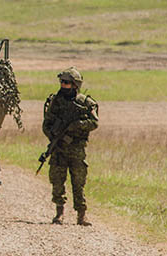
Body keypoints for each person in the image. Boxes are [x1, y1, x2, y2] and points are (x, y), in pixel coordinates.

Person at [42, 67, 98, 226]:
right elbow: (46, 124)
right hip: (59, 148)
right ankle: (59, 214)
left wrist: (77, 126)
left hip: (76, 149)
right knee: (57, 180)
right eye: (62, 82)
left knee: (78, 182)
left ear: (75, 85)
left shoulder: (85, 103)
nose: (63, 85)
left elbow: (94, 123)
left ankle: (81, 215)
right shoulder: (55, 101)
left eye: (66, 82)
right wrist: (54, 137)